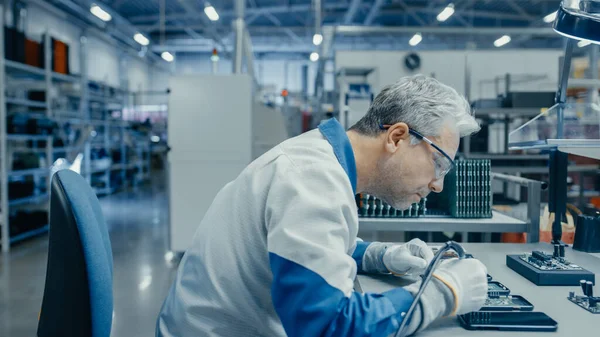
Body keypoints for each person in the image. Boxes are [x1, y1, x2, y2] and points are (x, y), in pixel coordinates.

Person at [156, 75, 488, 337]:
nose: (438, 184)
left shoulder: (320, 158)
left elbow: (300, 251)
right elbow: (329, 327)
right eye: (440, 164)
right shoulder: (312, 180)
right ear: (397, 137)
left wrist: (378, 256)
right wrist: (443, 293)